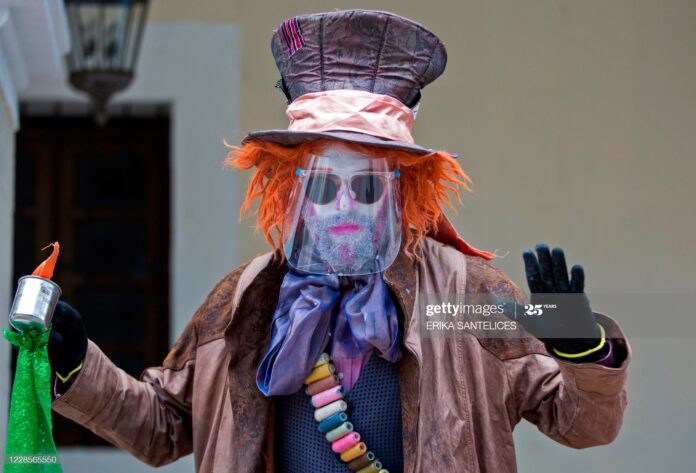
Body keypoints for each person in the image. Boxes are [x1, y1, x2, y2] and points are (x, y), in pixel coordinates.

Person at [46, 9, 631, 473]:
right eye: (324, 187)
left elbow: (582, 423)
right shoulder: (247, 301)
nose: (345, 207)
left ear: (401, 193)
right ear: (292, 193)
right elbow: (163, 426)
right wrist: (78, 365)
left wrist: (584, 351)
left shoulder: (458, 299)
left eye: (366, 187)